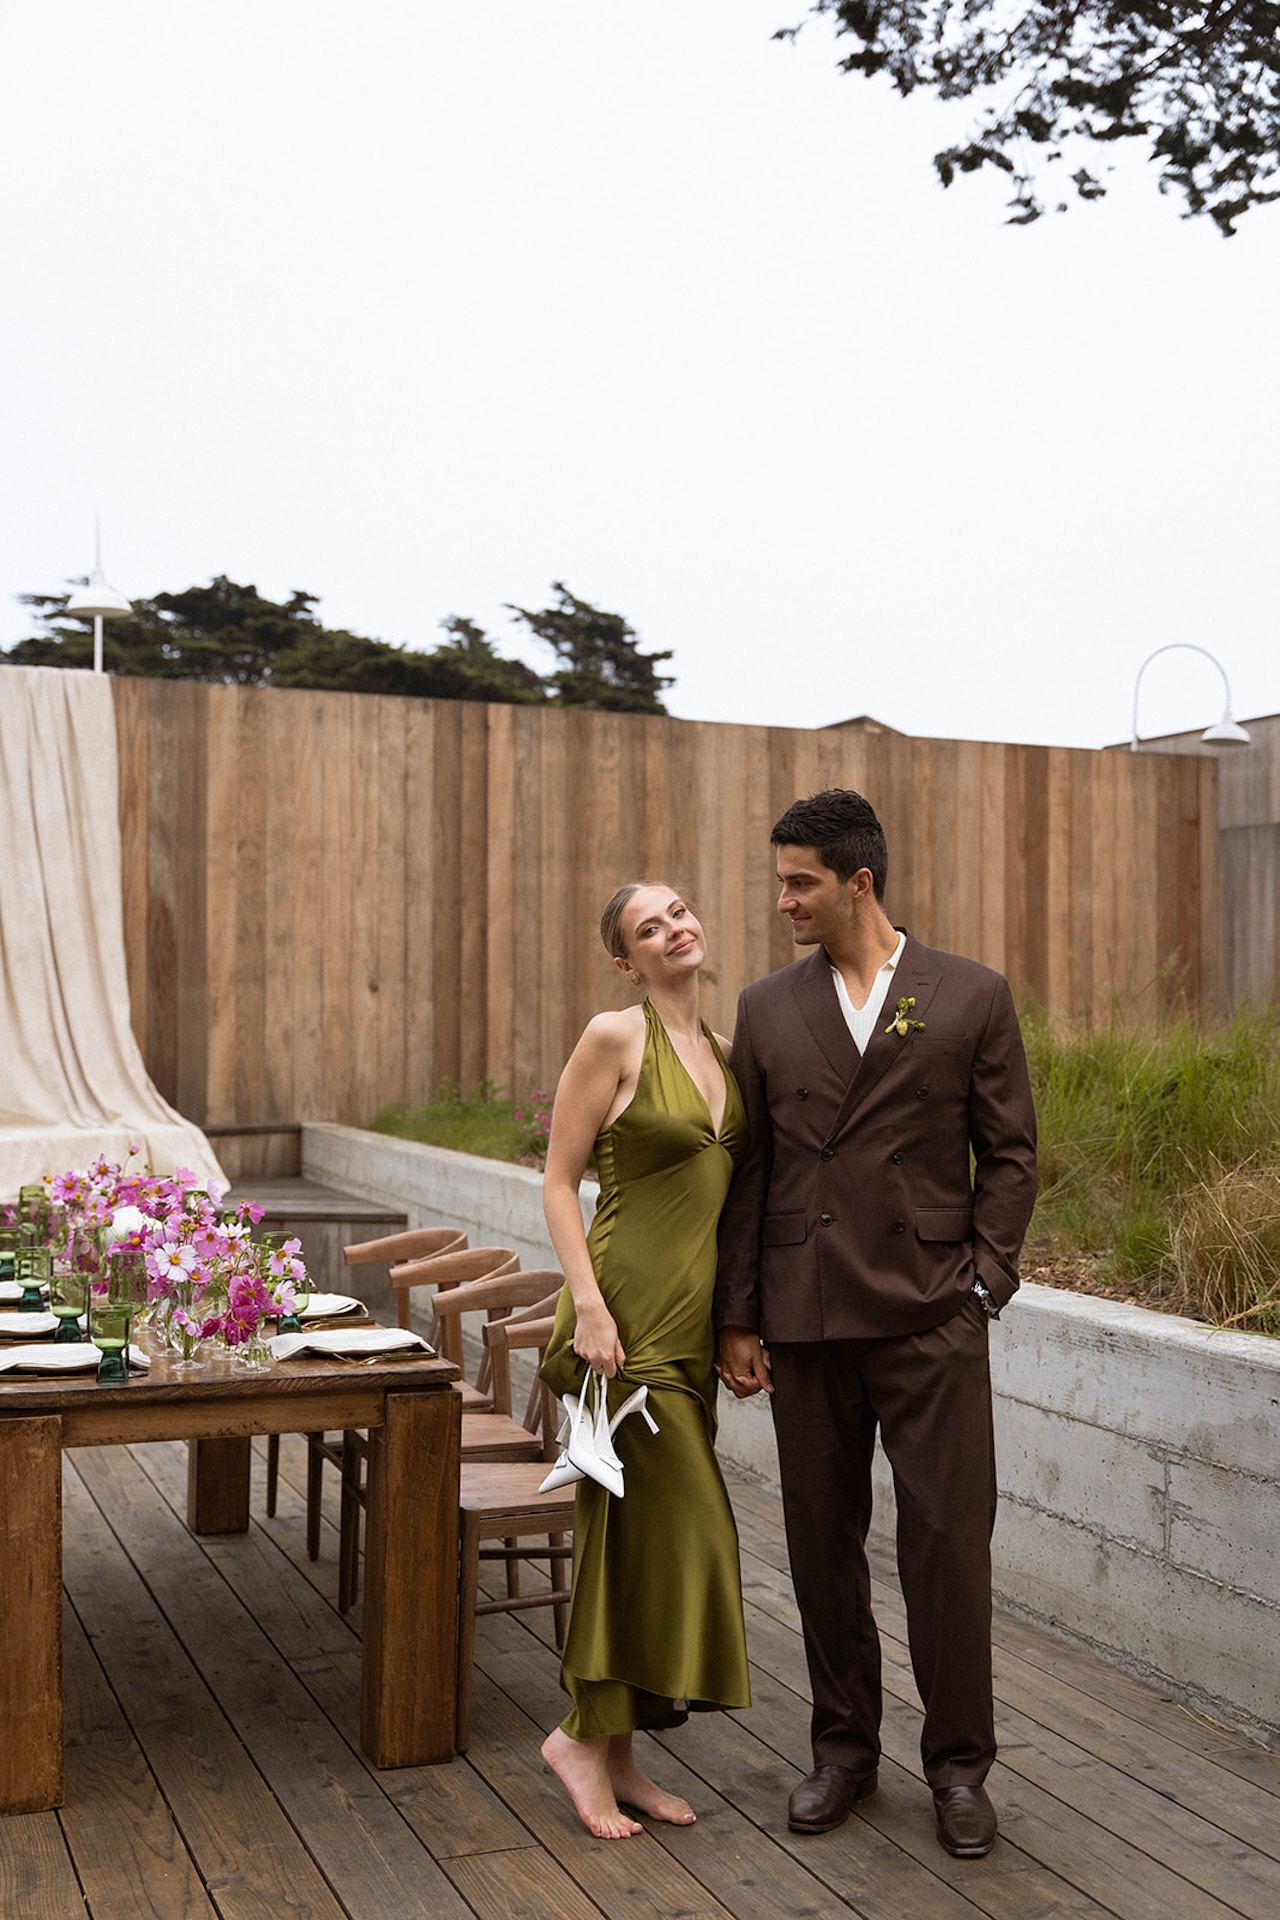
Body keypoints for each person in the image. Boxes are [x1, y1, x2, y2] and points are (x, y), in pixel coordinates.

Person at [715, 789, 1037, 1860]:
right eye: (778, 881)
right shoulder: (765, 1009)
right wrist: (739, 1315)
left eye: (798, 881)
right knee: (819, 1544)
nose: (780, 902)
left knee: (946, 1544)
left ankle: (957, 1768)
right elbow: (750, 1170)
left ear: (858, 881)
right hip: (805, 1313)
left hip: (928, 1311)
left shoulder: (970, 994)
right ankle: (842, 1751)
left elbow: (1010, 1154)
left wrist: (982, 1282)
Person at [538, 882, 752, 1840]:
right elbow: (557, 1179)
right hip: (619, 1323)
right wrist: (586, 1304)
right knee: (693, 1524)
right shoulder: (614, 1036)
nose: (675, 928)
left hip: (693, 1331)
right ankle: (580, 1738)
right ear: (628, 959)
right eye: (649, 927)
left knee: (633, 1541)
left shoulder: (725, 1055)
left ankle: (616, 1754)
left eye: (680, 911)